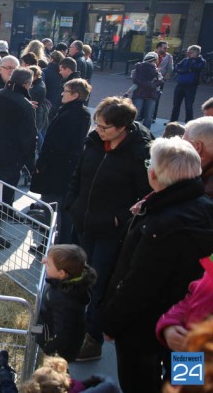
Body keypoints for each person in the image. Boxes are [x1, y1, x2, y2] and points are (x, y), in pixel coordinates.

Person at [101, 137, 213, 393]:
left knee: (139, 383)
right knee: (187, 385)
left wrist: (110, 321)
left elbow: (138, 282)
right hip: (190, 325)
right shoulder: (206, 208)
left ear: (153, 174)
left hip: (143, 330)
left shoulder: (159, 225)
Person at [64, 97, 152, 362]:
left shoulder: (140, 153)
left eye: (104, 127)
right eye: (97, 125)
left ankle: (93, 339)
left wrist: (119, 219)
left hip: (109, 234)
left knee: (99, 285)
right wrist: (73, 204)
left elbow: (145, 195)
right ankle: (72, 328)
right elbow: (78, 176)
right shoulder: (93, 143)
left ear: (123, 126)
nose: (99, 130)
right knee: (77, 280)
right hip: (83, 224)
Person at [0, 67, 37, 250]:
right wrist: (31, 164)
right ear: (27, 84)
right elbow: (28, 138)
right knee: (1, 199)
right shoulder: (24, 104)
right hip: (9, 160)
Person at [31, 79, 92, 245]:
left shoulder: (71, 114)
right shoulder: (79, 112)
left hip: (57, 171)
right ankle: (52, 242)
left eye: (66, 91)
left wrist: (41, 165)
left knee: (53, 209)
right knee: (58, 211)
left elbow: (55, 145)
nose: (62, 93)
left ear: (75, 95)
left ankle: (52, 244)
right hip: (64, 170)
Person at [35, 244, 97, 361]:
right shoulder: (64, 285)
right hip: (56, 342)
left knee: (55, 375)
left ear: (61, 273)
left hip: (58, 353)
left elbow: (63, 334)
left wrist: (49, 348)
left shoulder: (65, 301)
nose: (43, 262)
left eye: (48, 264)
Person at [171, 45, 206, 123]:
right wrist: (186, 70)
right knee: (176, 105)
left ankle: (189, 123)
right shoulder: (185, 60)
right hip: (180, 85)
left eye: (191, 52)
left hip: (191, 87)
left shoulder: (201, 61)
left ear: (197, 53)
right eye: (188, 52)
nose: (189, 54)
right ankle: (172, 122)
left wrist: (184, 70)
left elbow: (196, 68)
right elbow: (177, 67)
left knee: (188, 106)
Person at [130, 52, 163, 129]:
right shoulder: (155, 71)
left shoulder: (138, 69)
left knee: (136, 115)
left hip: (140, 93)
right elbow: (160, 81)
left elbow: (136, 80)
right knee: (148, 116)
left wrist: (148, 83)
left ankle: (135, 131)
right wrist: (151, 84)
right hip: (150, 94)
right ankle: (145, 133)